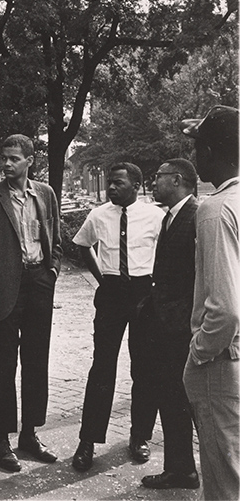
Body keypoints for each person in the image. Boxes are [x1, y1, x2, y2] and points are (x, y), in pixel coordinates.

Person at [0, 134, 62, 472]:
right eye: (3, 158)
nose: (6, 164)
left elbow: (56, 237)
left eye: (13, 159)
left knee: (37, 363)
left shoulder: (46, 194)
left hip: (38, 285)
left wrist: (51, 272)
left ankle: (30, 435)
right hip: (5, 293)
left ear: (29, 161)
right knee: (4, 366)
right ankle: (0, 440)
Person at [71, 162, 165, 472]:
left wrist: (156, 287)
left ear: (136, 186)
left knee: (145, 367)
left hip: (144, 295)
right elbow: (83, 245)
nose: (111, 188)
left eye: (118, 183)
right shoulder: (99, 215)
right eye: (110, 182)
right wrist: (101, 279)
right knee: (102, 367)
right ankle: (88, 440)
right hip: (111, 293)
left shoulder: (156, 216)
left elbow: (167, 254)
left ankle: (140, 437)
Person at [180, 105, 239, 500]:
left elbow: (225, 307)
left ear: (212, 152)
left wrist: (198, 354)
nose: (194, 156)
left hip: (221, 362)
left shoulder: (214, 209)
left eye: (198, 146)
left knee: (223, 482)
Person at [139, 159, 200, 490]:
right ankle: (181, 469)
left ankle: (190, 470)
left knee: (181, 399)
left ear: (177, 180)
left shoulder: (195, 217)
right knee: (170, 397)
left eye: (159, 177)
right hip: (166, 325)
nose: (154, 182)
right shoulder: (173, 216)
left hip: (180, 329)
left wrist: (179, 318)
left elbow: (197, 277)